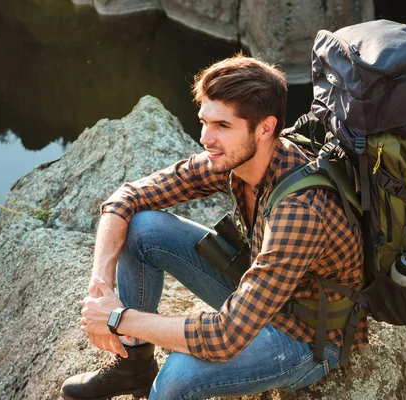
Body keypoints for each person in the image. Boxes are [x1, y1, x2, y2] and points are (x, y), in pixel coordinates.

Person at [60, 55, 367, 400]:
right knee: (143, 228)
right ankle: (134, 366)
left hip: (308, 335)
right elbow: (125, 198)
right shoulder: (237, 158)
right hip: (261, 296)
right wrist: (99, 289)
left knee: (177, 377)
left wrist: (117, 318)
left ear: (265, 129)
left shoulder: (301, 210)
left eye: (222, 126)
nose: (206, 138)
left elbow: (226, 336)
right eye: (204, 122)